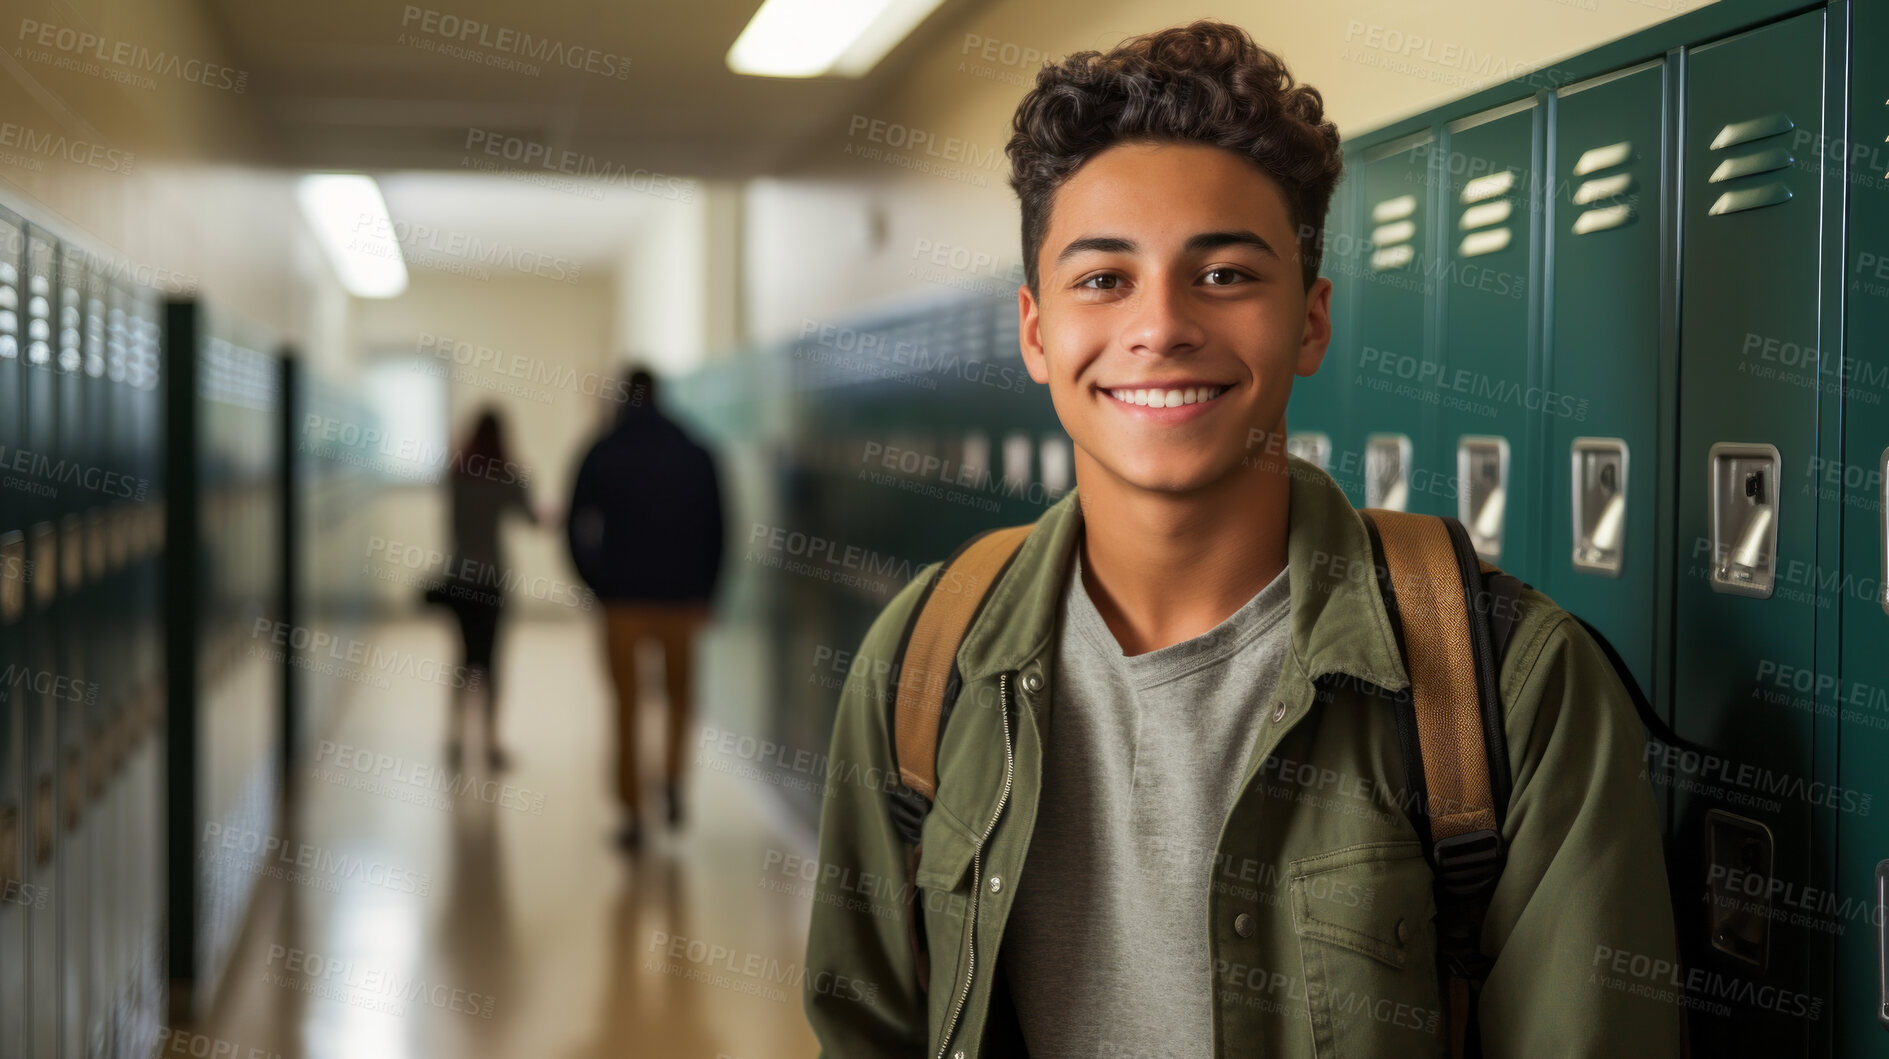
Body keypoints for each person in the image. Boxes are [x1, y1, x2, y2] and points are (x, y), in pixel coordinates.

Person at [802, 20, 1681, 1058]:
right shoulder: (924, 659)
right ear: (1035, 334)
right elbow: (866, 1026)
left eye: (1222, 275)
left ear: (1309, 322)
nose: (1161, 324)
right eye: (1102, 278)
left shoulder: (1512, 682)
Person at [566, 367, 725, 853]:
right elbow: (719, 526)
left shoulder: (602, 450)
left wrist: (595, 585)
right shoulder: (696, 450)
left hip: (622, 603)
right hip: (680, 602)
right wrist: (707, 592)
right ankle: (673, 780)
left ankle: (633, 812)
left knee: (627, 706)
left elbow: (575, 525)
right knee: (679, 697)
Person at [439, 407, 538, 770]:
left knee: (464, 660)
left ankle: (454, 740)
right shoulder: (505, 477)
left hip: (460, 578)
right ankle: (492, 744)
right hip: (491, 580)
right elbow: (530, 517)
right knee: (492, 661)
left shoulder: (455, 474)